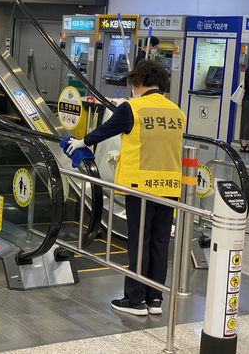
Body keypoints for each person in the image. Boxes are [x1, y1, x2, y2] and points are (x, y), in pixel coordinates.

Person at [64, 60, 185, 316]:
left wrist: (82, 141)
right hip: (170, 187)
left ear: (138, 83)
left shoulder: (134, 107)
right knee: (160, 243)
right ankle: (155, 299)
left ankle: (135, 299)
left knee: (139, 242)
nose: (133, 90)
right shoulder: (176, 111)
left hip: (140, 187)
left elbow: (106, 130)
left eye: (133, 86)